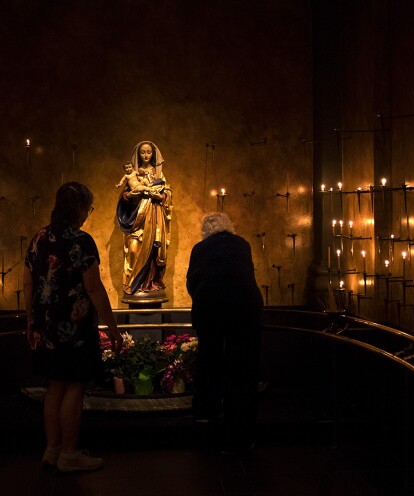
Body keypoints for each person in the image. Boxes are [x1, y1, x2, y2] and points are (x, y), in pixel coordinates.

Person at [24, 182, 123, 472]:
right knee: (75, 387)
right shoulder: (81, 240)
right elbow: (93, 287)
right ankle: (69, 454)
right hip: (75, 329)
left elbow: (28, 282)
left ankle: (52, 450)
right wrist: (113, 328)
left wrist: (30, 321)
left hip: (45, 327)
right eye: (87, 208)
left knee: (54, 387)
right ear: (78, 208)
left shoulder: (39, 238)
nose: (87, 215)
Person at [186, 212, 263, 454]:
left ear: (205, 231)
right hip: (246, 306)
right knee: (242, 366)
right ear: (229, 228)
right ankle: (241, 432)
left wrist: (203, 298)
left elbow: (192, 282)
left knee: (209, 360)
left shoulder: (200, 248)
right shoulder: (243, 244)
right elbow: (248, 274)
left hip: (210, 305)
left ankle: (206, 419)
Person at [115, 141, 172, 298]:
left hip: (155, 216)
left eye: (149, 152)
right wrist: (129, 196)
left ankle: (151, 282)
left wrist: (160, 196)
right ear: (137, 155)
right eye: (142, 152)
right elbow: (126, 193)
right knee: (134, 247)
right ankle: (133, 283)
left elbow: (167, 192)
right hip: (137, 217)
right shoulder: (133, 172)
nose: (146, 155)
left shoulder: (158, 173)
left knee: (154, 247)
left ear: (153, 154)